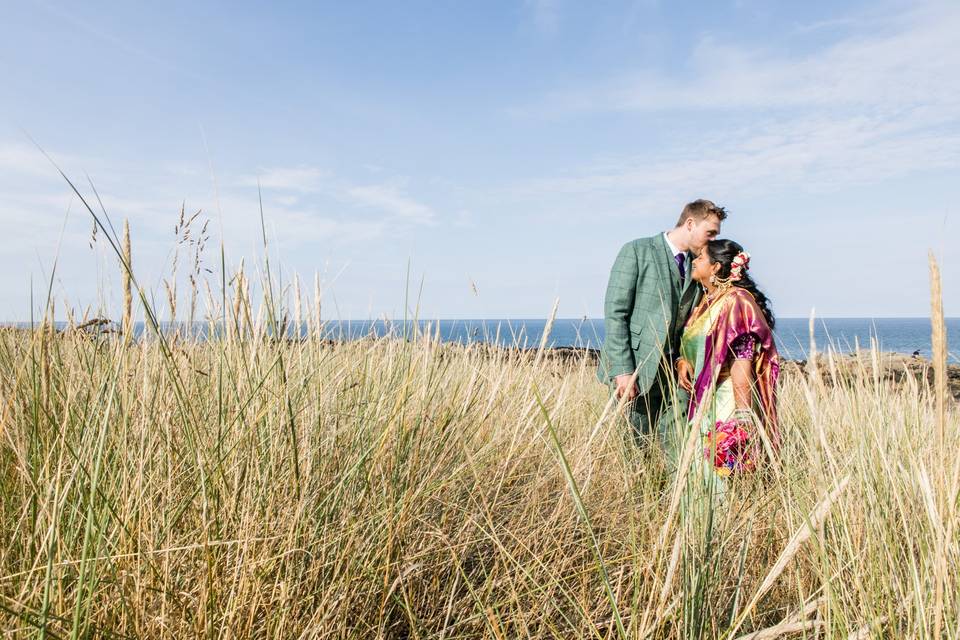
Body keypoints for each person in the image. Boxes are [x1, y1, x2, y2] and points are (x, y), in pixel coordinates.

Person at [598, 199, 726, 445]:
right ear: (690, 223)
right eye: (709, 233)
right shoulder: (636, 250)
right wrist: (623, 370)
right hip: (636, 371)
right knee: (635, 449)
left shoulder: (697, 265)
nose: (712, 241)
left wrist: (681, 360)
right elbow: (616, 313)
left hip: (675, 377)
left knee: (675, 446)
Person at [676, 239, 780, 482]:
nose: (694, 261)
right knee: (700, 474)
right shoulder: (707, 302)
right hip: (704, 400)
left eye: (701, 257)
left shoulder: (737, 301)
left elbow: (742, 358)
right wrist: (683, 361)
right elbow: (695, 344)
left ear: (715, 268)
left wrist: (743, 418)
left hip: (727, 401)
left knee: (721, 472)